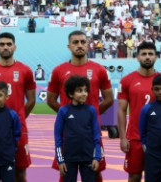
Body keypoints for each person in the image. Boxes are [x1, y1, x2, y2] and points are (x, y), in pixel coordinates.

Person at [47, 30, 113, 182]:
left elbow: (109, 99)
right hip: (68, 133)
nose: (80, 45)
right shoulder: (58, 70)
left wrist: (91, 115)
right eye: (75, 42)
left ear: (88, 45)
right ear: (69, 46)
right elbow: (50, 100)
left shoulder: (100, 70)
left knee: (96, 172)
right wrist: (69, 116)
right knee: (65, 172)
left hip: (91, 131)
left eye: (83, 42)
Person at [0, 32, 35, 182]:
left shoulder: (26, 70)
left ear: (14, 47)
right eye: (2, 44)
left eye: (9, 44)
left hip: (19, 130)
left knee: (20, 173)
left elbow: (31, 101)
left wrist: (18, 118)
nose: (5, 47)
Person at [117, 41, 161, 182]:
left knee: (155, 176)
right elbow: (121, 110)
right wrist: (123, 137)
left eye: (151, 54)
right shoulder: (127, 80)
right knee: (134, 176)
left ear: (156, 57)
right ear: (137, 57)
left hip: (157, 139)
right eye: (144, 54)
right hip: (135, 138)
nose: (147, 57)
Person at [54, 75, 102, 182]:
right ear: (71, 94)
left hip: (88, 157)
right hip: (69, 158)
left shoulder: (91, 110)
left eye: (85, 90)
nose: (84, 93)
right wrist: (60, 160)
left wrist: (96, 157)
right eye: (79, 91)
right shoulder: (63, 111)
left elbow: (96, 136)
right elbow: (58, 137)